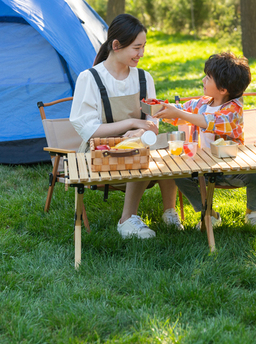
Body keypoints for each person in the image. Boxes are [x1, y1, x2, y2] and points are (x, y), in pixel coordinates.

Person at [69, 13, 182, 239]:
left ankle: (169, 212)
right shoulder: (89, 78)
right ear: (116, 46)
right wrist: (131, 123)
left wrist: (142, 130)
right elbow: (88, 130)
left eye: (143, 47)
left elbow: (153, 122)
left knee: (171, 148)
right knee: (138, 151)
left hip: (140, 144)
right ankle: (127, 220)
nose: (141, 54)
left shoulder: (143, 77)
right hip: (100, 151)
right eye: (136, 48)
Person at [154, 52, 256, 228]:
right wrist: (160, 108)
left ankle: (253, 213)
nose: (203, 80)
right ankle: (209, 213)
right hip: (202, 168)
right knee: (179, 175)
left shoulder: (233, 110)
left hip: (232, 168)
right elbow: (180, 112)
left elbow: (209, 122)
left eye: (208, 77)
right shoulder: (202, 103)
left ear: (223, 89)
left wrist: (179, 113)